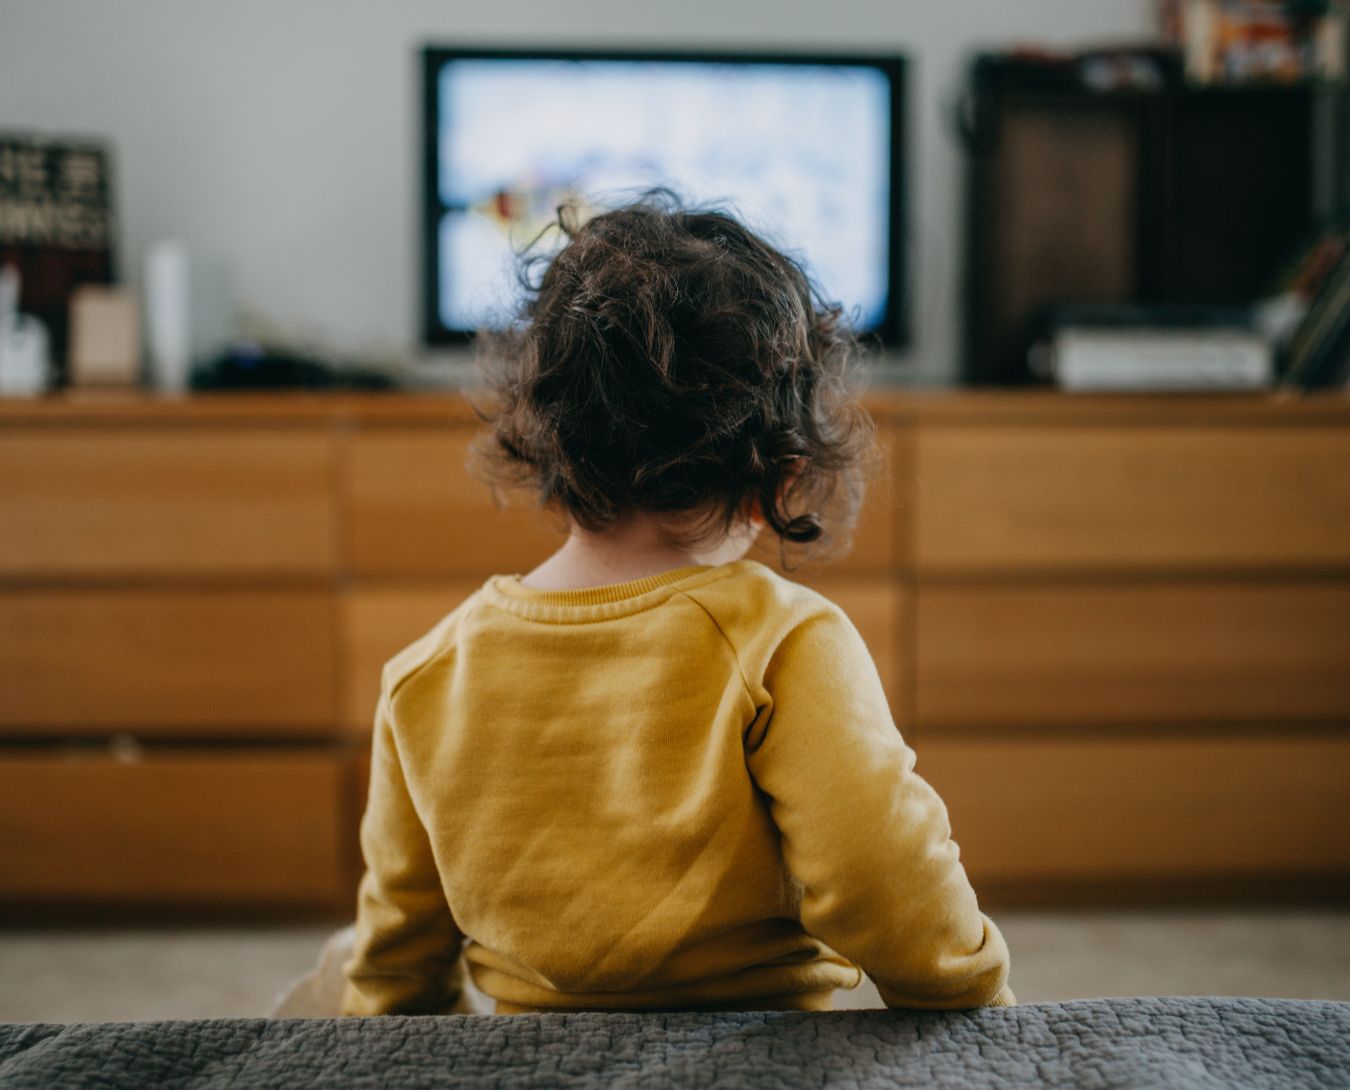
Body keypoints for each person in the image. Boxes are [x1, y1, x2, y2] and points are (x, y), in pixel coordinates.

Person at [340, 194, 1013, 1016]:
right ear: (780, 476)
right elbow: (882, 876)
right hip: (758, 1055)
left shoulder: (428, 671)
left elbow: (395, 959)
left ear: (547, 438)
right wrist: (973, 998)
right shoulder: (783, 639)